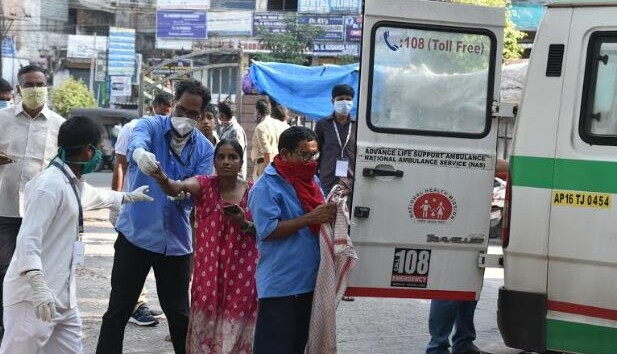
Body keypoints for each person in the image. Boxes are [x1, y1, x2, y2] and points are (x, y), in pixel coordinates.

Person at [0, 116, 153, 354]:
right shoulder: (49, 186)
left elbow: (99, 197)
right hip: (33, 299)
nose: (103, 153)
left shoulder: (71, 181)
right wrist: (38, 285)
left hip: (63, 298)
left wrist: (128, 197)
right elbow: (27, 238)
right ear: (88, 151)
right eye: (101, 148)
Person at [96, 79, 215, 354]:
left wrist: (183, 192)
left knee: (179, 315)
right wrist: (140, 154)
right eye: (182, 110)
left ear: (201, 114)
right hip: (136, 235)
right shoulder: (150, 125)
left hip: (175, 243)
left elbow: (201, 184)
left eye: (193, 114)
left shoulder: (204, 148)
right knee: (118, 310)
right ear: (173, 105)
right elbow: (137, 140)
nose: (186, 118)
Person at [151, 139, 258, 353]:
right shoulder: (204, 185)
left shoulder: (254, 191)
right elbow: (176, 187)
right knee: (206, 322)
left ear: (241, 162)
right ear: (214, 161)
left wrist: (243, 223)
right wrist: (162, 178)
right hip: (209, 273)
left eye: (232, 157)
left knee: (237, 322)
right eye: (221, 157)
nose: (226, 162)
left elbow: (263, 231)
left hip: (243, 273)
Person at [248, 126, 337, 354]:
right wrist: (310, 218)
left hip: (309, 282)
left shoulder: (310, 180)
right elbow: (267, 231)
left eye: (314, 155)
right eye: (304, 155)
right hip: (281, 285)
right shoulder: (265, 187)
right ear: (285, 153)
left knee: (298, 347)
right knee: (274, 348)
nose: (310, 161)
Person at [0, 64, 64, 340]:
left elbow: (65, 169)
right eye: (29, 85)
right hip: (5, 209)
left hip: (41, 214)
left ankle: (32, 329)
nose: (35, 90)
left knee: (38, 271)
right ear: (18, 89)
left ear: (46, 87)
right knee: (5, 271)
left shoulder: (59, 125)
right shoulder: (2, 119)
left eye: (39, 84)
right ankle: (6, 327)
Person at [425, 162, 509, 354]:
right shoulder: (463, 142)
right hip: (452, 218)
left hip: (474, 218)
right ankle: (437, 346)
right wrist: (517, 161)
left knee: (470, 283)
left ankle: (463, 341)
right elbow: (492, 161)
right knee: (448, 287)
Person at [108, 91, 174, 327]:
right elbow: (121, 165)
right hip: (132, 206)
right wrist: (116, 200)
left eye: (169, 113)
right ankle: (135, 306)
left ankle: (140, 302)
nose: (165, 118)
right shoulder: (134, 128)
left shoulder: (172, 132)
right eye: (163, 112)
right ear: (153, 107)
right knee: (130, 264)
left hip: (160, 212)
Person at [315, 84, 356, 197]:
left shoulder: (359, 125)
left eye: (348, 99)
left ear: (352, 101)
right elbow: (316, 152)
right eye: (340, 99)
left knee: (347, 213)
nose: (344, 102)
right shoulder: (322, 124)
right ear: (333, 101)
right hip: (327, 179)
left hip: (351, 182)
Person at [250, 98, 289, 179]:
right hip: (280, 167)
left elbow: (267, 152)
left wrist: (269, 175)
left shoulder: (261, 127)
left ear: (257, 111)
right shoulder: (281, 125)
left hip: (265, 168)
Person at [218, 101, 248, 179]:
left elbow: (237, 154)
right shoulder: (226, 129)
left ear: (222, 115)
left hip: (235, 175)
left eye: (219, 113)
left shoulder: (235, 131)